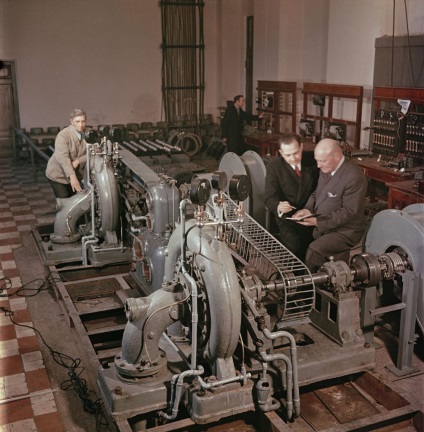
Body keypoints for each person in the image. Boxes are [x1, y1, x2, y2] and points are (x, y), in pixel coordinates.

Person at [292, 138, 368, 272]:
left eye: (322, 161)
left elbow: (349, 212)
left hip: (345, 231)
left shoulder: (354, 177)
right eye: (317, 160)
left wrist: (318, 222)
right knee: (295, 240)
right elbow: (317, 193)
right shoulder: (327, 167)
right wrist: (307, 210)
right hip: (326, 223)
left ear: (337, 156)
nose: (318, 165)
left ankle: (308, 290)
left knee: (314, 250)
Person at [264, 133, 319, 261]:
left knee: (315, 251)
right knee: (294, 251)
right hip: (288, 219)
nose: (293, 158)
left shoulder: (314, 160)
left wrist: (311, 210)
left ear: (301, 147)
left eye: (296, 153)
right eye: (287, 155)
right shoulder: (274, 167)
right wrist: (278, 205)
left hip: (312, 215)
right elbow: (269, 197)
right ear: (281, 153)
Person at [46, 109, 88, 198]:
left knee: (74, 203)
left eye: (83, 121)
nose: (81, 125)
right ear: (71, 121)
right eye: (77, 121)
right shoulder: (63, 135)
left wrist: (78, 161)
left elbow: (94, 152)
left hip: (76, 174)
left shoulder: (88, 134)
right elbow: (63, 158)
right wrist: (72, 177)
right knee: (64, 203)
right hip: (58, 175)